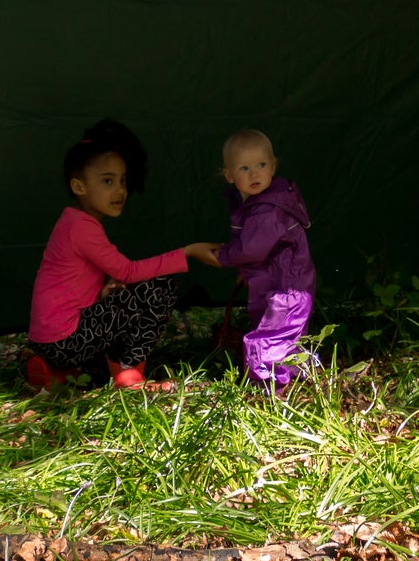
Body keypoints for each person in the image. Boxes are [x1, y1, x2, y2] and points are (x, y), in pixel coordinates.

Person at [26, 119, 219, 391]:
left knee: (114, 318)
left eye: (122, 180)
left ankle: (57, 374)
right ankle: (128, 372)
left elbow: (70, 290)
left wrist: (102, 295)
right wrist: (187, 252)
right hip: (66, 340)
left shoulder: (73, 222)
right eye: (107, 181)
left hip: (50, 340)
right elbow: (127, 271)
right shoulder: (81, 227)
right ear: (79, 187)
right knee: (160, 285)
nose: (120, 190)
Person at [217, 129, 317, 391]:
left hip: (287, 288)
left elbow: (252, 249)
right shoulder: (255, 202)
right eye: (244, 168)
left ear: (273, 166)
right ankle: (296, 381)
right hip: (273, 283)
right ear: (229, 175)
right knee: (281, 335)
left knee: (269, 338)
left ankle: (269, 392)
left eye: (261, 165)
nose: (255, 173)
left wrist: (222, 255)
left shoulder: (267, 208)